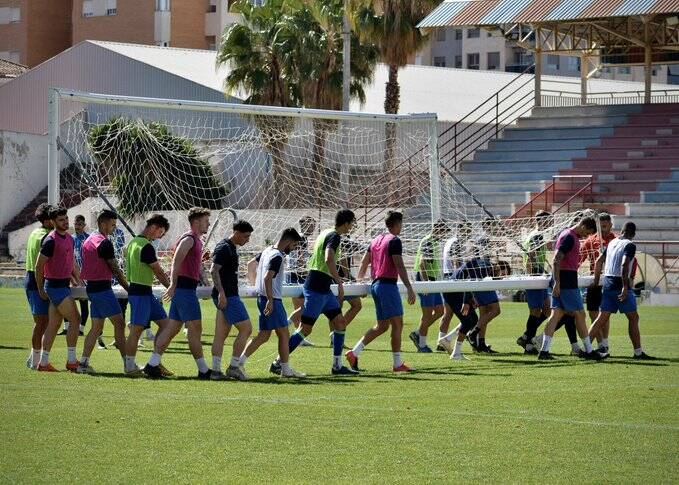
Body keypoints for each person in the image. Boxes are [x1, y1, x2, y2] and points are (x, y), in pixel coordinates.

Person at [270, 209, 359, 376]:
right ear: (346, 223)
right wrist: (339, 281)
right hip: (317, 287)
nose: (352, 227)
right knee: (305, 329)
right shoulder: (335, 236)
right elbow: (328, 258)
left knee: (340, 323)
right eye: (352, 223)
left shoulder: (326, 232)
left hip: (323, 288)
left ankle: (337, 366)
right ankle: (278, 362)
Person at [345, 211, 416, 372]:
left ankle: (354, 353)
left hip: (376, 285)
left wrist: (359, 281)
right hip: (387, 286)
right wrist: (409, 288)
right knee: (397, 324)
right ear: (397, 224)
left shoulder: (376, 240)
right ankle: (397, 364)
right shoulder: (395, 241)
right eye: (401, 224)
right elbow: (399, 265)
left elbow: (364, 261)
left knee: (382, 326)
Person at [151, 208, 212, 379]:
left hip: (185, 289)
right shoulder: (189, 238)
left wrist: (201, 269)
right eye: (206, 221)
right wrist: (173, 285)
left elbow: (188, 263)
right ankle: (203, 370)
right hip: (184, 290)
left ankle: (152, 364)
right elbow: (176, 260)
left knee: (172, 329)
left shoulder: (195, 240)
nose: (208, 224)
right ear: (197, 222)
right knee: (195, 328)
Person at [241, 227, 306, 378]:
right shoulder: (278, 256)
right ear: (289, 241)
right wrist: (270, 300)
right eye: (294, 245)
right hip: (272, 299)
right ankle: (285, 369)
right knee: (283, 333)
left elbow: (251, 264)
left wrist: (255, 286)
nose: (294, 249)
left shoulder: (267, 250)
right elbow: (267, 278)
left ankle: (238, 362)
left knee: (264, 335)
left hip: (263, 297)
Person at [538, 217, 601, 361]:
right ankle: (589, 351)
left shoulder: (566, 234)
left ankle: (544, 351)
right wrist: (558, 283)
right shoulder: (570, 237)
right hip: (566, 280)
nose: (586, 236)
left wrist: (556, 282)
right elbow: (557, 259)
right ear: (584, 226)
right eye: (588, 233)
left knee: (556, 315)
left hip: (562, 279)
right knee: (580, 314)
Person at [589, 222, 654, 359]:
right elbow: (625, 264)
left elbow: (599, 261)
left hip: (607, 283)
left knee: (601, 318)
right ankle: (638, 352)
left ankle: (587, 348)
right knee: (633, 317)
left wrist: (596, 281)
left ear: (622, 231)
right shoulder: (629, 245)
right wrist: (625, 287)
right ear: (633, 234)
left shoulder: (612, 242)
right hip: (619, 284)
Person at [76, 210, 129, 373]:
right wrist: (129, 289)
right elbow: (115, 269)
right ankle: (129, 364)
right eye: (113, 224)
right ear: (103, 224)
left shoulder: (89, 239)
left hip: (92, 288)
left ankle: (83, 364)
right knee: (119, 324)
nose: (114, 228)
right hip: (102, 289)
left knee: (96, 327)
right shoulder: (104, 243)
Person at [122, 214, 172, 377]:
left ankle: (154, 363)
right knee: (136, 331)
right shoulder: (146, 246)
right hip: (140, 293)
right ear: (154, 228)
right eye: (161, 233)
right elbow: (157, 270)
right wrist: (171, 287)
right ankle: (129, 367)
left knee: (166, 325)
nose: (160, 237)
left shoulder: (134, 242)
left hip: (144, 293)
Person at [34, 207, 83, 372]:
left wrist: (79, 280)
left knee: (54, 326)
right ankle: (71, 361)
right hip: (55, 287)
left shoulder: (70, 238)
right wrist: (41, 289)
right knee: (76, 320)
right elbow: (38, 266)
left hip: (63, 286)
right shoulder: (50, 240)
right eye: (61, 220)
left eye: (66, 219)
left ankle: (43, 363)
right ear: (53, 222)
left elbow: (71, 263)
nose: (66, 222)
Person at [209, 219, 254, 381]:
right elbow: (213, 270)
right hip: (228, 296)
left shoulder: (230, 247)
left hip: (226, 295)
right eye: (246, 237)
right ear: (237, 233)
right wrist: (221, 292)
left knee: (221, 334)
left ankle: (215, 371)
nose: (247, 240)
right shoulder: (224, 247)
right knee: (246, 329)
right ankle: (234, 367)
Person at [409, 219, 448, 353]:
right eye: (444, 231)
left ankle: (418, 333)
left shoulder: (434, 242)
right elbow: (422, 264)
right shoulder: (429, 242)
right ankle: (422, 344)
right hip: (426, 280)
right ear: (438, 229)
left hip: (432, 280)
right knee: (427, 313)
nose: (444, 235)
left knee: (439, 310)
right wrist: (426, 284)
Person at [24, 203, 54, 370]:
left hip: (30, 278)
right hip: (37, 279)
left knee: (44, 322)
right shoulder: (47, 236)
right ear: (49, 220)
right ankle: (35, 361)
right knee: (42, 322)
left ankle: (33, 358)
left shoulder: (35, 232)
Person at [581, 213, 616, 353]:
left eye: (606, 226)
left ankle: (604, 343)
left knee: (605, 314)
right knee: (593, 312)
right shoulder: (591, 239)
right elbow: (580, 256)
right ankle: (601, 343)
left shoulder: (615, 240)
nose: (603, 229)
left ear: (610, 225)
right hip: (594, 281)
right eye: (600, 226)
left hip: (608, 280)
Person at [438, 221, 472, 352]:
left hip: (448, 277)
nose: (469, 234)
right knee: (468, 316)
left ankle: (442, 342)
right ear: (461, 230)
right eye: (468, 231)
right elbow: (456, 261)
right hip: (454, 279)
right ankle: (447, 341)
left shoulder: (450, 241)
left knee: (448, 314)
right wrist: (461, 281)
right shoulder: (457, 242)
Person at [286, 216, 316, 346]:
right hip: (298, 274)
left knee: (298, 307)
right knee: (303, 308)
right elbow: (300, 258)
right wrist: (306, 270)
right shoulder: (302, 238)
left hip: (291, 273)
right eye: (311, 225)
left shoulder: (297, 237)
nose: (313, 228)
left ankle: (299, 338)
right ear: (304, 225)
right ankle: (285, 324)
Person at [330, 235, 364, 347]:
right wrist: (347, 275)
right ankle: (335, 336)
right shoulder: (340, 237)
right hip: (339, 279)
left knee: (356, 305)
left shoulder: (348, 237)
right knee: (336, 310)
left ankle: (337, 331)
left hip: (343, 279)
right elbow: (342, 256)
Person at [59, 214, 89, 337]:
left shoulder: (88, 239)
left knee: (84, 302)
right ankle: (66, 328)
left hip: (85, 275)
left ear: (84, 225)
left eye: (80, 224)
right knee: (67, 301)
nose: (78, 226)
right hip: (70, 274)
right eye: (76, 224)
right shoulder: (70, 238)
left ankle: (81, 329)